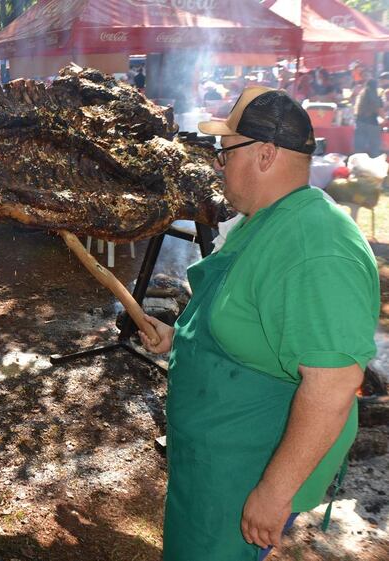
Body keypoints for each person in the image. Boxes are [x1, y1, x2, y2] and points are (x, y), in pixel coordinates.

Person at [139, 86, 379, 560]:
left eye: (225, 152)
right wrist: (178, 338)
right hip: (213, 456)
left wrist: (273, 491)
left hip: (247, 468)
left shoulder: (316, 249)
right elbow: (246, 319)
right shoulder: (265, 219)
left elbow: (333, 387)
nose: (218, 165)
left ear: (266, 154)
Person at [353, 78, 384, 157]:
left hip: (359, 123)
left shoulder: (361, 97)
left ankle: (358, 166)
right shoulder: (377, 98)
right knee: (374, 149)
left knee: (359, 148)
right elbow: (381, 114)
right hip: (372, 124)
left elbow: (356, 111)